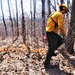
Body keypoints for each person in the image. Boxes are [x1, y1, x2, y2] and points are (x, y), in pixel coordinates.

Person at [44, 4, 69, 69]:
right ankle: (46, 64)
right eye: (65, 11)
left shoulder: (54, 13)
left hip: (51, 32)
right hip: (51, 33)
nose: (65, 13)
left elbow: (49, 23)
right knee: (51, 49)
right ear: (63, 10)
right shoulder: (59, 14)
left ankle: (52, 52)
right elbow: (61, 26)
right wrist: (64, 34)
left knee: (61, 40)